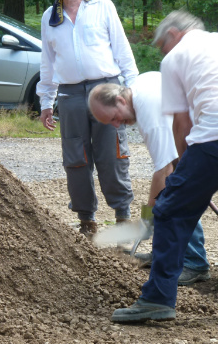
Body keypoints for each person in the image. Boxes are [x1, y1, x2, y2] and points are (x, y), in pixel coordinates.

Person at [111, 10, 218, 323]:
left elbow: (173, 148)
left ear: (173, 35)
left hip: (211, 139)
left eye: (161, 45)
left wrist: (148, 216)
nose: (162, 51)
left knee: (171, 211)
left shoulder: (172, 62)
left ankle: (158, 298)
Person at [37, 0, 139, 237]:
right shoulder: (50, 17)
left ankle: (122, 218)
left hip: (107, 89)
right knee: (76, 158)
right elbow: (47, 62)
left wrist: (133, 90)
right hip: (69, 95)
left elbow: (122, 50)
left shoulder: (102, 6)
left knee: (112, 154)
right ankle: (87, 222)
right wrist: (47, 101)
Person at [88, 72, 210, 285]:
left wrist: (147, 217)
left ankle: (194, 262)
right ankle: (164, 255)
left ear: (120, 100)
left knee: (176, 197)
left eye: (115, 117)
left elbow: (164, 171)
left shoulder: (148, 112)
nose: (118, 125)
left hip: (209, 136)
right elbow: (170, 164)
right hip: (198, 135)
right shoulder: (140, 85)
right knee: (175, 192)